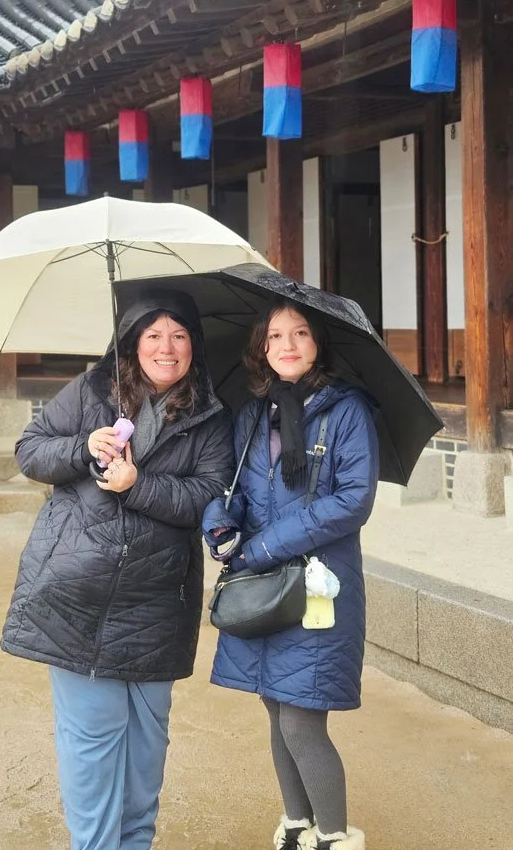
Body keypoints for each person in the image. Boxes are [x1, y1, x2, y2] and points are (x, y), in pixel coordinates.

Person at [1, 290, 234, 850]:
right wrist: (84, 447)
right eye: (152, 335)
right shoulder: (91, 391)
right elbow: (31, 450)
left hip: (158, 600)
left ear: (193, 346)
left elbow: (206, 494)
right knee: (93, 742)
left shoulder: (210, 414)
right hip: (76, 592)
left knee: (147, 746)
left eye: (178, 335)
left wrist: (139, 487)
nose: (166, 346)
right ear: (132, 342)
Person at [203, 300, 379, 850]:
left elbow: (352, 500)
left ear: (317, 343)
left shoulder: (347, 410)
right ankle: (297, 825)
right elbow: (226, 488)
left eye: (300, 333)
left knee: (303, 721)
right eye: (275, 335)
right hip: (261, 590)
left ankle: (333, 836)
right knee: (277, 708)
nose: (288, 344)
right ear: (261, 348)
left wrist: (259, 549)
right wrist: (219, 526)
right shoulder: (252, 413)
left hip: (317, 585)